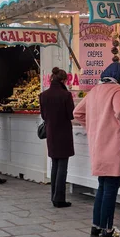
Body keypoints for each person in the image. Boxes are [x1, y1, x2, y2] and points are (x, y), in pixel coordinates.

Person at [73, 62, 120, 237]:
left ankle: (97, 225)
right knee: (111, 188)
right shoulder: (117, 90)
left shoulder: (95, 90)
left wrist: (94, 127)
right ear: (118, 74)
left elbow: (77, 112)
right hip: (114, 145)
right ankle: (108, 229)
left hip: (98, 146)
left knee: (103, 187)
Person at [39, 67, 75, 208]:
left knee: (55, 164)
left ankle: (54, 195)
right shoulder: (66, 95)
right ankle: (59, 198)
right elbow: (70, 114)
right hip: (64, 132)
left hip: (51, 132)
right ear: (63, 80)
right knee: (62, 165)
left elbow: (43, 115)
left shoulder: (44, 95)